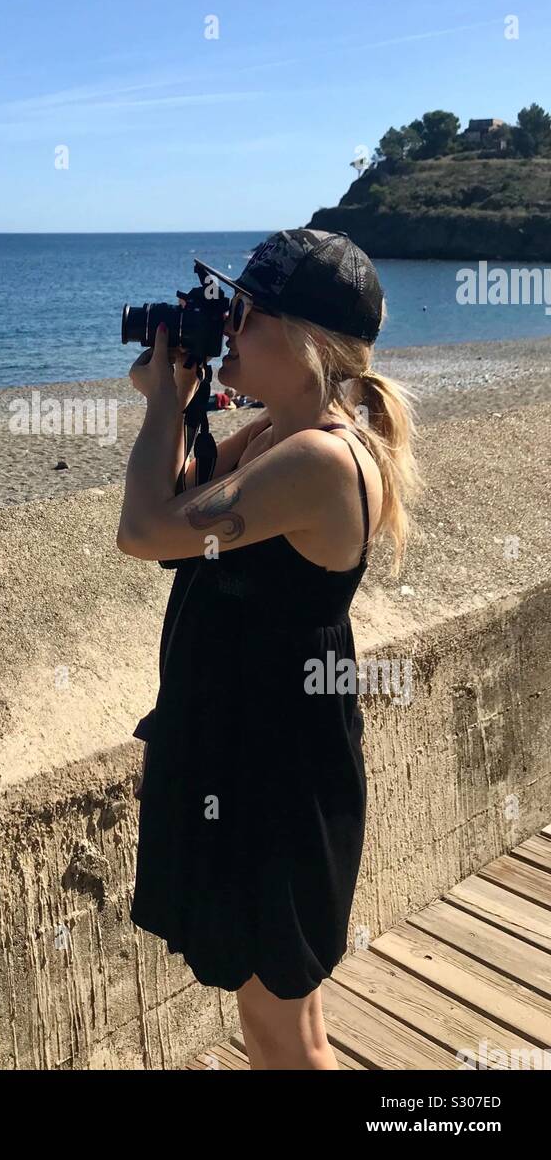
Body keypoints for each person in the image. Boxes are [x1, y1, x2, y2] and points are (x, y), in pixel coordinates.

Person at [116, 228, 421, 1071]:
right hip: (263, 755)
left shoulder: (319, 458)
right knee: (293, 1020)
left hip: (275, 777)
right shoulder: (282, 434)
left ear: (302, 340)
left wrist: (156, 408)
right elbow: (182, 501)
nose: (227, 327)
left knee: (279, 1036)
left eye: (244, 313)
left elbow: (144, 532)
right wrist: (176, 401)